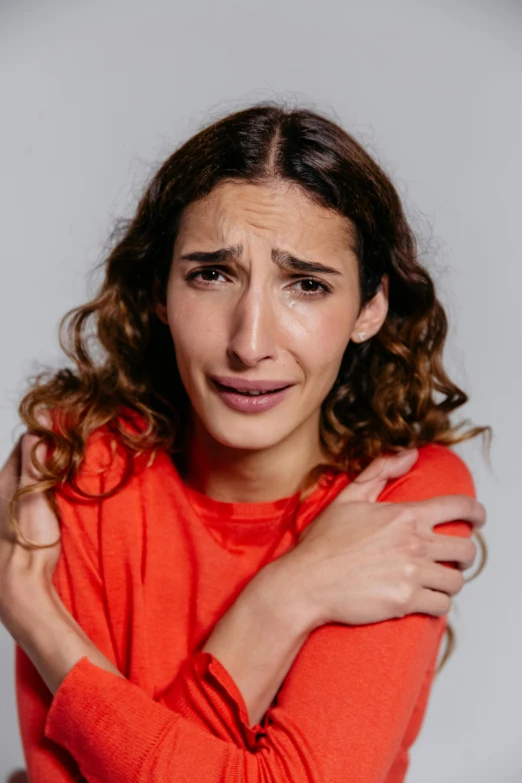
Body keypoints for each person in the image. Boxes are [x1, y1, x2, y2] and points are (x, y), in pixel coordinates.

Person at [0, 102, 489, 783]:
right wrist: (287, 599)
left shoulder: (401, 497)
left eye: (307, 284)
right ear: (160, 291)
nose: (249, 342)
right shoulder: (80, 463)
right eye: (211, 274)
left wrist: (40, 625)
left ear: (369, 307)